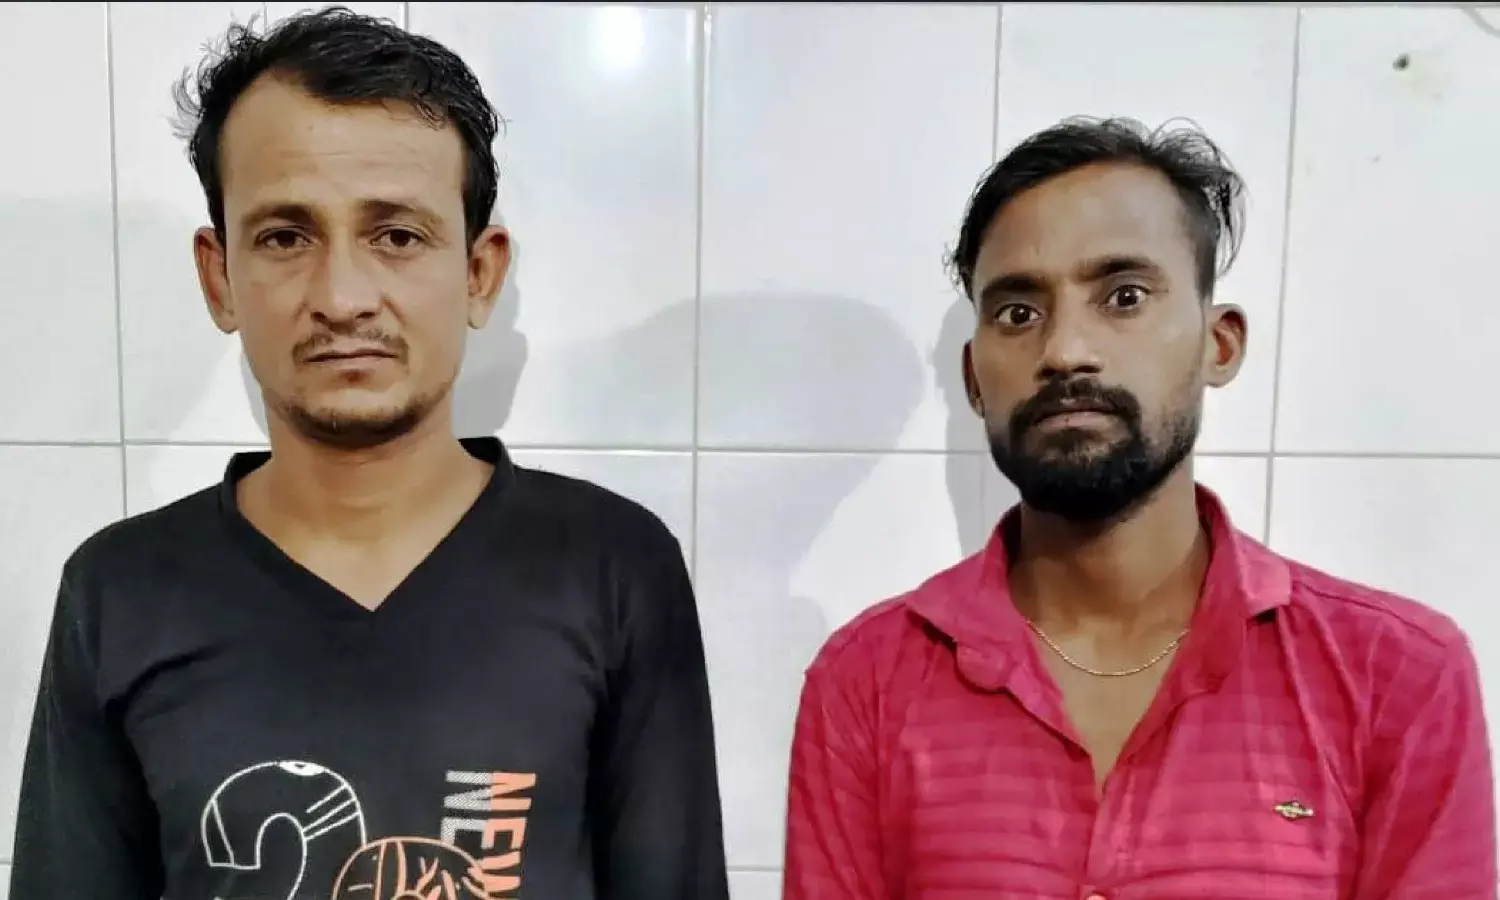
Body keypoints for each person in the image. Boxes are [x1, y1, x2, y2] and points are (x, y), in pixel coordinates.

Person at [9, 8, 728, 900]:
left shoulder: (611, 567)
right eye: (285, 237)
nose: (344, 296)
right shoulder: (118, 592)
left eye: (397, 236)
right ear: (219, 276)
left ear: (479, 272)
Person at [783, 117, 1496, 898]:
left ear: (1218, 344)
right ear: (976, 378)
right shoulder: (866, 682)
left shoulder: (1396, 678)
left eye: (1124, 297)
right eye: (1018, 312)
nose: (1065, 352)